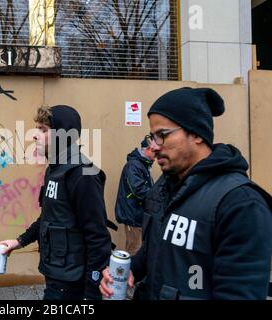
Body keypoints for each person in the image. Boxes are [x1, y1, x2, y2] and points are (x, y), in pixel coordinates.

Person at [100, 87, 272, 300]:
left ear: (197, 134)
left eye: (162, 135)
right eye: (152, 137)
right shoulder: (161, 188)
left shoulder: (241, 203)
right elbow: (153, 250)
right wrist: (129, 269)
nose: (153, 147)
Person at [0, 105, 112, 300]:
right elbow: (49, 217)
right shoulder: (54, 169)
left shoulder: (83, 174)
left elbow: (98, 238)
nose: (34, 135)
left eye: (43, 129)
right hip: (56, 275)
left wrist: (92, 293)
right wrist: (19, 241)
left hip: (72, 284)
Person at [115, 138, 155, 256]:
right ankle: (130, 273)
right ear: (146, 150)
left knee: (138, 248)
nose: (157, 154)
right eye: (154, 151)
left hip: (137, 215)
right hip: (133, 216)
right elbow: (138, 189)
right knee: (134, 249)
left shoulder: (142, 165)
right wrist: (155, 197)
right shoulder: (134, 166)